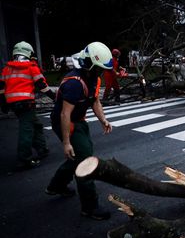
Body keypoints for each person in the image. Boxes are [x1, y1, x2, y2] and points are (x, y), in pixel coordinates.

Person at [45, 42, 113, 220]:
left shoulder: (94, 79)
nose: (100, 73)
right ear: (88, 63)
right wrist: (66, 143)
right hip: (65, 122)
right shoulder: (74, 83)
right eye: (98, 69)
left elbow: (95, 101)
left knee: (79, 154)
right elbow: (64, 114)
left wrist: (103, 119)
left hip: (79, 121)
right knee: (85, 161)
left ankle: (56, 186)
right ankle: (90, 207)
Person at [0, 41, 55, 169]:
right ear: (28, 53)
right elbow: (42, 86)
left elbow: (1, 88)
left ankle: (42, 149)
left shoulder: (6, 69)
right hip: (27, 104)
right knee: (27, 130)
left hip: (15, 105)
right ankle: (24, 159)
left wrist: (3, 104)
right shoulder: (31, 67)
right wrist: (55, 97)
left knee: (36, 124)